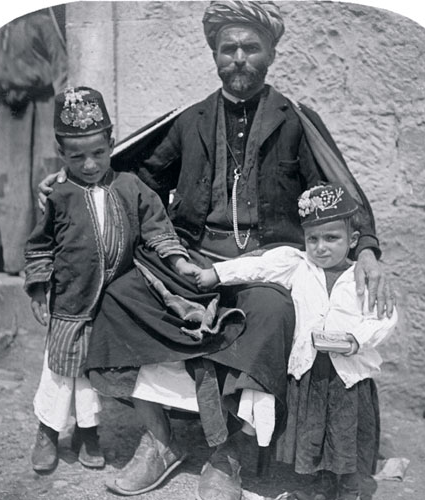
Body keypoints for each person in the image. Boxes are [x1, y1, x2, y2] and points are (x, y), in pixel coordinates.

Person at [38, 2, 395, 499]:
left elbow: (338, 191)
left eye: (251, 47)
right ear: (214, 53)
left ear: (270, 54)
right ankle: (161, 440)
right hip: (193, 258)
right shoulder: (191, 120)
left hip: (265, 266)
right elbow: (133, 175)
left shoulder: (295, 120)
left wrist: (370, 251)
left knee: (270, 316)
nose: (239, 58)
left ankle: (229, 453)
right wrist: (71, 181)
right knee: (118, 296)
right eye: (229, 48)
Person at [24, 86, 199, 473]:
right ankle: (48, 433)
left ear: (112, 143)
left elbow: (156, 225)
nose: (89, 164)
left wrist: (177, 259)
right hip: (70, 301)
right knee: (59, 370)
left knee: (91, 373)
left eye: (98, 153)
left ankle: (89, 434)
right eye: (77, 156)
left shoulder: (129, 186)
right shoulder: (59, 195)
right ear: (61, 154)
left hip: (112, 302)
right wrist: (39, 287)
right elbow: (40, 246)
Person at [195, 182, 398, 500]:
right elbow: (259, 266)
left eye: (332, 238)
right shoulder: (297, 265)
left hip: (347, 376)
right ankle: (322, 483)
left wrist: (355, 339)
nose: (321, 247)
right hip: (311, 372)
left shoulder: (360, 277)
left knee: (343, 431)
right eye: (313, 238)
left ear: (353, 240)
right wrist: (217, 274)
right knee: (314, 430)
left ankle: (348, 487)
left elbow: (385, 318)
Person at [0, 8, 67, 275]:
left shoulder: (41, 22)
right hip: (9, 111)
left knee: (43, 178)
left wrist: (62, 116)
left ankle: (43, 260)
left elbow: (61, 69)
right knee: (10, 185)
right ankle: (16, 260)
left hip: (42, 106)